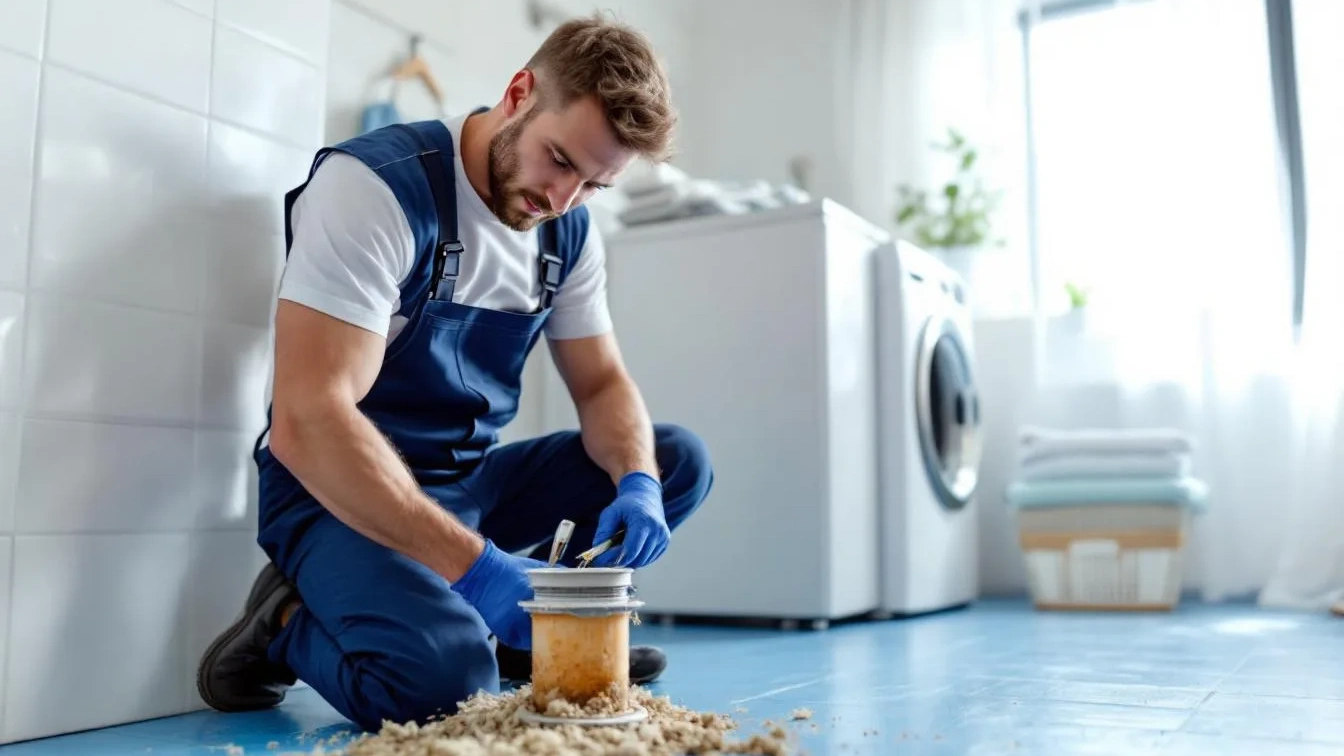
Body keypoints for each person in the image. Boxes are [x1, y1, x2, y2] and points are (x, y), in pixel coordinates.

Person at [195, 14, 713, 733]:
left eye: (594, 185)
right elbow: (308, 420)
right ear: (519, 91)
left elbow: (601, 386)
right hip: (335, 493)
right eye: (559, 160)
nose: (561, 199)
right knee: (447, 686)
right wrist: (478, 570)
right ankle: (286, 619)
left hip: (468, 484)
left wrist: (639, 484)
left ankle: (514, 628)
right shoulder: (375, 189)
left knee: (676, 461)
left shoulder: (565, 229)